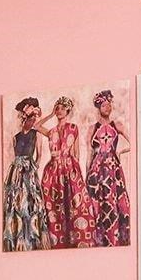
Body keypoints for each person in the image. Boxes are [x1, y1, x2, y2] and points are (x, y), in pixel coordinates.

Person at [38, 95, 91, 248]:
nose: (59, 111)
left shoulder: (73, 128)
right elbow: (37, 126)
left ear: (68, 110)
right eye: (57, 108)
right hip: (53, 170)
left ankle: (74, 238)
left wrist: (75, 173)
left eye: (62, 108)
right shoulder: (51, 131)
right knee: (54, 206)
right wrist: (50, 114)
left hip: (69, 168)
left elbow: (76, 153)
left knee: (73, 204)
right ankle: (58, 240)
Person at [83, 90, 131, 246]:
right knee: (97, 204)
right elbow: (90, 153)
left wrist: (121, 152)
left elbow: (135, 141)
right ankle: (99, 240)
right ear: (99, 107)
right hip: (97, 170)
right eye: (104, 105)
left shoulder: (117, 125)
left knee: (117, 203)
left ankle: (115, 237)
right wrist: (87, 174)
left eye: (109, 105)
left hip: (113, 169)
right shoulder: (92, 128)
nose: (107, 108)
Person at [2, 97, 46, 251]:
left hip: (29, 171)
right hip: (16, 172)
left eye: (34, 118)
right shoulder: (16, 137)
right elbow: (13, 156)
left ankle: (31, 238)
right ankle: (16, 237)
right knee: (15, 203)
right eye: (29, 117)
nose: (32, 120)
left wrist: (34, 169)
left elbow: (39, 155)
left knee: (30, 204)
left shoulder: (36, 134)